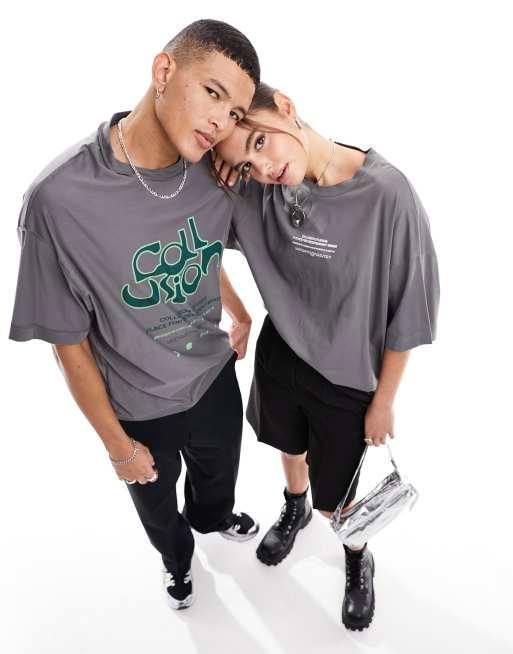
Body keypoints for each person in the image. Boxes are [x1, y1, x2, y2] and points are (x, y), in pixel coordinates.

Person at [8, 20, 261, 611]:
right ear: (164, 71)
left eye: (234, 113)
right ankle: (177, 560)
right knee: (156, 506)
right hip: (139, 402)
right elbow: (68, 343)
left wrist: (238, 310)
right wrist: (116, 447)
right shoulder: (59, 200)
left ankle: (212, 518)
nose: (220, 122)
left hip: (213, 375)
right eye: (213, 93)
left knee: (218, 480)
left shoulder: (213, 169)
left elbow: (195, 247)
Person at [213, 81, 440, 630]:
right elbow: (191, 233)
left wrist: (384, 401)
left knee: (336, 499)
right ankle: (293, 504)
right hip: (282, 352)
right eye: (246, 164)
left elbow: (410, 309)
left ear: (286, 108)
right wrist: (239, 314)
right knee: (288, 446)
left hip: (347, 375)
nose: (262, 168)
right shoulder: (261, 191)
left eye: (260, 143)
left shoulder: (387, 194)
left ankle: (357, 553)